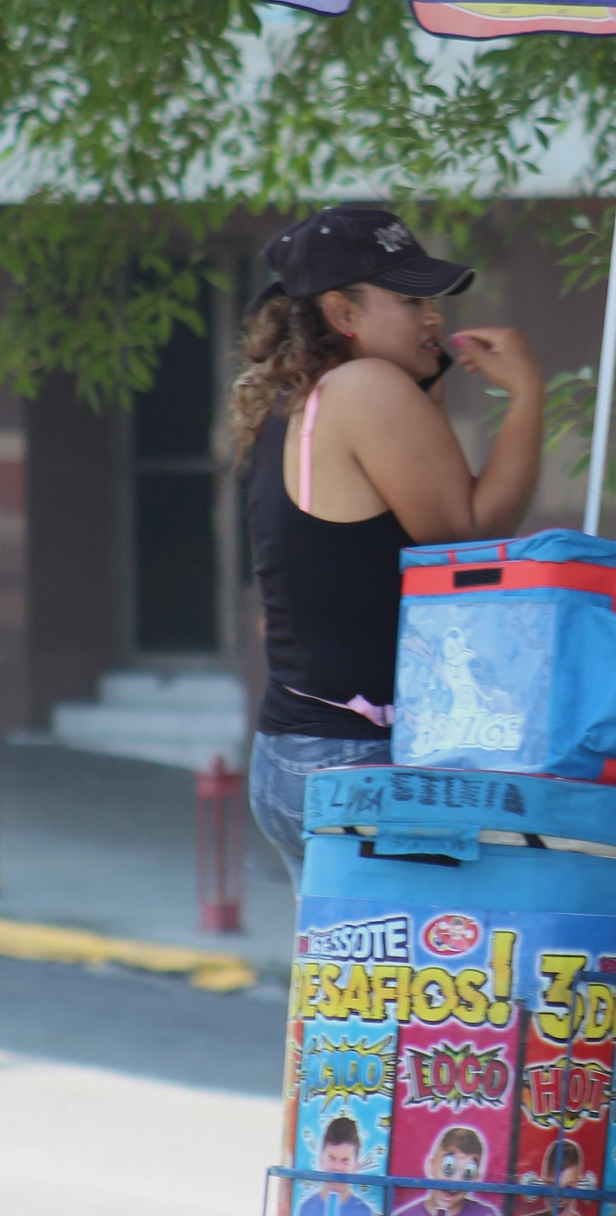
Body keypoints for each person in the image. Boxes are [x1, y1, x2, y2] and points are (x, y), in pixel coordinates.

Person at [232, 204, 545, 884]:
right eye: (408, 299)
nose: (432, 316)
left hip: (300, 750)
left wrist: (427, 392)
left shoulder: (303, 400)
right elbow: (468, 534)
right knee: (437, 983)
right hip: (358, 763)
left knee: (345, 987)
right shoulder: (365, 387)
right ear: (342, 312)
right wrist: (526, 397)